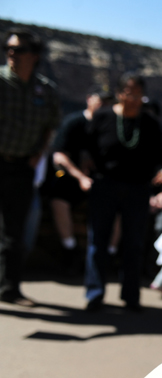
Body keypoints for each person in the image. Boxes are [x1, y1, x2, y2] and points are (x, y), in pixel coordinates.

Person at [83, 73, 162, 312]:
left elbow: (159, 158)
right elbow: (86, 149)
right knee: (98, 241)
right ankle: (95, 294)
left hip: (137, 189)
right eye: (129, 92)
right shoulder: (102, 117)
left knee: (134, 243)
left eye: (138, 93)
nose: (133, 98)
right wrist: (85, 170)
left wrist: (161, 176)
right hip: (104, 186)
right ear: (119, 93)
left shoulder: (150, 124)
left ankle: (131, 297)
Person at [0, 29, 61, 306]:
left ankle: (9, 289)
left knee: (14, 233)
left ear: (34, 56)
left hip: (23, 167)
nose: (11, 53)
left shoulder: (45, 90)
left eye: (18, 49)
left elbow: (51, 125)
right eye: (8, 48)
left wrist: (38, 154)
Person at [43, 87, 114, 274]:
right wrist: (81, 176)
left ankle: (110, 255)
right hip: (69, 178)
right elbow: (59, 156)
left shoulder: (110, 126)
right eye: (101, 100)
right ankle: (69, 249)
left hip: (100, 180)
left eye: (108, 102)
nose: (104, 105)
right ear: (89, 99)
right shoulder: (74, 122)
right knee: (58, 197)